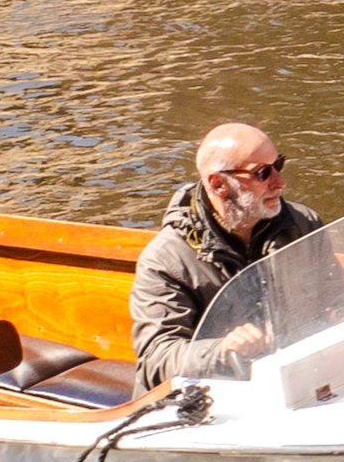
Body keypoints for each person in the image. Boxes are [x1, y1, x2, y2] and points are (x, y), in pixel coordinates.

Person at [129, 121, 326, 387]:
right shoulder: (165, 260)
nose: (280, 182)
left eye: (277, 165)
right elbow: (156, 360)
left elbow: (335, 303)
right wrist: (222, 350)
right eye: (262, 173)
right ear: (219, 184)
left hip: (289, 382)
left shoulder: (303, 224)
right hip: (206, 401)